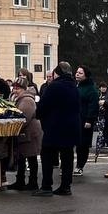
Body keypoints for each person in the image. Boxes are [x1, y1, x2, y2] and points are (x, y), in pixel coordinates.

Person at [36, 62, 80, 196]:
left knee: (47, 155)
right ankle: (66, 186)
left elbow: (43, 105)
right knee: (67, 157)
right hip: (71, 126)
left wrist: (39, 115)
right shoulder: (74, 86)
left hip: (54, 126)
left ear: (58, 73)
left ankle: (46, 186)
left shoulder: (54, 86)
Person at [11, 77, 42, 190]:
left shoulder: (27, 100)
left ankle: (33, 182)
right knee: (22, 157)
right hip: (26, 133)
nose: (15, 90)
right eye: (14, 88)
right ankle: (20, 181)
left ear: (24, 89)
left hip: (30, 133)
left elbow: (24, 118)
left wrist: (14, 126)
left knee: (31, 157)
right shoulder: (22, 99)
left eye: (18, 88)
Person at [74, 66, 98, 174]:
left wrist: (89, 120)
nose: (77, 74)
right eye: (77, 72)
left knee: (83, 145)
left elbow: (93, 106)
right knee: (75, 143)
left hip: (85, 120)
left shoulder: (91, 89)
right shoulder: (77, 86)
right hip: (75, 119)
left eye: (80, 73)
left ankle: (80, 165)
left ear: (86, 75)